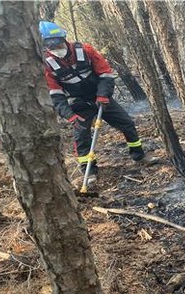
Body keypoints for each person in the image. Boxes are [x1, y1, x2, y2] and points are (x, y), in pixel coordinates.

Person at [39, 21, 154, 184]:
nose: (55, 47)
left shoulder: (85, 50)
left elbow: (105, 74)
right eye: (49, 44)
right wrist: (69, 115)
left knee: (127, 123)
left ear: (64, 38)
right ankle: (89, 170)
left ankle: (139, 156)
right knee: (81, 135)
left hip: (101, 98)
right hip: (78, 103)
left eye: (57, 42)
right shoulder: (47, 65)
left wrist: (103, 95)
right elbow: (55, 95)